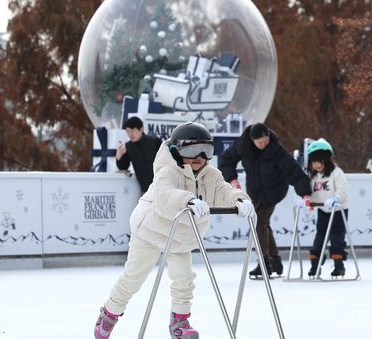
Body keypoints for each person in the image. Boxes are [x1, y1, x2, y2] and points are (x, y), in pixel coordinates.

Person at [94, 122, 254, 339]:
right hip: (151, 230)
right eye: (190, 150)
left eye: (205, 151)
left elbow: (224, 190)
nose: (198, 156)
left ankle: (180, 322)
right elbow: (164, 195)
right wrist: (187, 200)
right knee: (133, 278)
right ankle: (110, 312)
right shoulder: (167, 172)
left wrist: (240, 200)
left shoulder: (211, 174)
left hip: (180, 234)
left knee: (184, 278)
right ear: (176, 151)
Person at [218, 123, 312, 278]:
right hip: (254, 190)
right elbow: (226, 160)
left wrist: (305, 193)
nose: (264, 145)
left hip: (274, 190)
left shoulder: (276, 149)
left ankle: (264, 263)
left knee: (258, 222)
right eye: (260, 142)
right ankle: (275, 260)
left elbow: (293, 170)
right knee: (263, 224)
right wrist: (232, 179)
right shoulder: (243, 145)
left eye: (266, 141)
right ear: (252, 140)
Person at [303, 138, 349, 278]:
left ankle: (338, 265)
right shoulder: (314, 176)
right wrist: (307, 199)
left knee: (336, 237)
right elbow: (311, 191)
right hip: (323, 210)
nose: (316, 165)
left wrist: (335, 199)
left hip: (338, 210)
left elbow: (342, 190)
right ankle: (315, 266)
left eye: (319, 161)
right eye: (313, 162)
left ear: (326, 159)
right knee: (319, 238)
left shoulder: (336, 172)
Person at [116, 116, 162, 193]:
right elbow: (123, 167)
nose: (130, 134)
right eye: (128, 132)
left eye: (132, 131)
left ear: (141, 129)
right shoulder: (128, 146)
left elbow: (166, 160)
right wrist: (119, 156)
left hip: (161, 187)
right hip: (145, 190)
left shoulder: (154, 141)